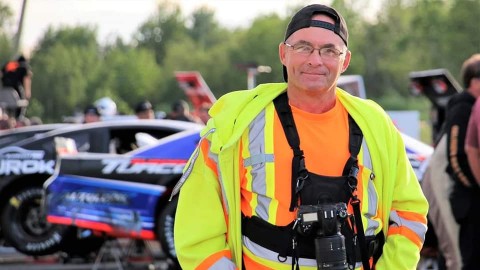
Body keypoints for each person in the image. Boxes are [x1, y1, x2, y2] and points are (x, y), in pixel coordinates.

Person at [173, 4, 428, 270]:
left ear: (345, 61)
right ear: (283, 53)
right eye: (303, 47)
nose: (315, 60)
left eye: (329, 51)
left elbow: (409, 213)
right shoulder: (237, 124)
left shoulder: (376, 126)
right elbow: (197, 232)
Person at [442, 54, 480, 270]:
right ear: (474, 80)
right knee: (470, 258)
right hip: (468, 199)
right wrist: (474, 186)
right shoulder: (462, 107)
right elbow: (455, 156)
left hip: (471, 195)